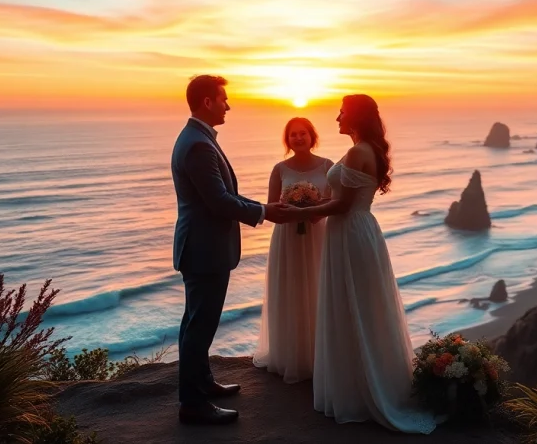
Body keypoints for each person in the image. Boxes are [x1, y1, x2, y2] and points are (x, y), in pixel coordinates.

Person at [293, 94, 436, 434]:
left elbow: (342, 205)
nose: (337, 117)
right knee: (358, 305)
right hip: (355, 231)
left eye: (342, 112)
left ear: (354, 116)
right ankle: (356, 383)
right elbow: (340, 198)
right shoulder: (363, 147)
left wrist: (304, 211)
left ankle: (361, 391)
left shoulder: (359, 151)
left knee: (353, 304)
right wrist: (315, 206)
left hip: (351, 232)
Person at [170, 75, 294, 425]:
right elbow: (219, 201)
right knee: (199, 326)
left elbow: (223, 196)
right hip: (203, 251)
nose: (229, 105)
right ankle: (192, 404)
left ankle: (203, 383)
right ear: (207, 101)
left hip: (201, 248)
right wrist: (265, 211)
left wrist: (260, 209)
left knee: (196, 322)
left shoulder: (198, 138)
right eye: (224, 99)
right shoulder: (198, 145)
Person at [253, 118, 333, 383]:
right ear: (288, 140)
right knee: (290, 291)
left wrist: (312, 209)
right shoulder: (280, 169)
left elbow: (333, 203)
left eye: (303, 133)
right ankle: (290, 356)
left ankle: (318, 356)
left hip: (318, 234)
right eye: (293, 135)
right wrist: (292, 211)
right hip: (287, 237)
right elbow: (272, 207)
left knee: (317, 289)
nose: (298, 138)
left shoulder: (327, 166)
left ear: (312, 136)